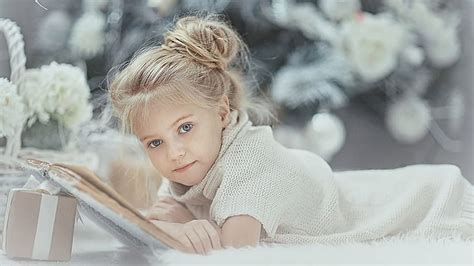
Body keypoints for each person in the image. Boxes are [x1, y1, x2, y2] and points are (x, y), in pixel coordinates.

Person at [108, 15, 473, 255]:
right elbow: (164, 217)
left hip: (428, 200)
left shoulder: (248, 161)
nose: (173, 152)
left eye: (184, 128)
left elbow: (234, 254)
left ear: (221, 112)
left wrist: (181, 229)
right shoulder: (191, 162)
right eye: (154, 142)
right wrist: (176, 224)